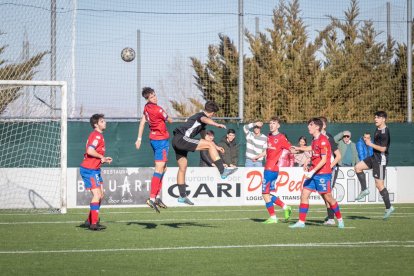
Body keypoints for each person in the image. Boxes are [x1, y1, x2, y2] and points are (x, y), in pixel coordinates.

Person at [172, 101, 238, 205]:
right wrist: (216, 124)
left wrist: (216, 147)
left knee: (182, 167)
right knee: (209, 145)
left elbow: (205, 138)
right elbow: (204, 119)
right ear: (212, 113)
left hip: (176, 140)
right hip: (181, 139)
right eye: (214, 114)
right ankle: (222, 171)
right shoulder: (200, 116)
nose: (213, 116)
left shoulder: (200, 125)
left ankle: (182, 196)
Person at [289, 118, 344, 229]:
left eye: (311, 125)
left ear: (317, 127)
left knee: (328, 197)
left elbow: (324, 160)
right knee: (304, 194)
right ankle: (301, 222)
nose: (308, 127)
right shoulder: (315, 139)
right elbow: (312, 148)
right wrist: (299, 148)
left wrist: (312, 171)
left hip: (322, 174)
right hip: (313, 173)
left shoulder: (323, 140)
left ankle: (340, 219)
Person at [135, 87, 171, 213]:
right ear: (147, 98)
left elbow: (142, 122)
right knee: (159, 169)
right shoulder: (158, 109)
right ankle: (151, 198)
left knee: (164, 168)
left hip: (154, 139)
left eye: (155, 95)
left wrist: (139, 138)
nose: (155, 98)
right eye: (152, 97)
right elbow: (169, 119)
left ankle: (156, 197)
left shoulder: (146, 108)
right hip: (161, 141)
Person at [354, 111, 394, 219]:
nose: (375, 119)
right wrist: (369, 142)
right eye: (375, 117)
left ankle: (389, 207)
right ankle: (364, 189)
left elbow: (383, 149)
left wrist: (369, 144)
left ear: (384, 119)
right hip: (373, 157)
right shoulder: (377, 129)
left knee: (379, 185)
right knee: (357, 167)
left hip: (381, 159)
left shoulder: (385, 132)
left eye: (378, 117)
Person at [254, 116, 292, 224]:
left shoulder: (281, 138)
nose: (271, 125)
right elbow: (268, 151)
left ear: (278, 125)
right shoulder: (269, 136)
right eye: (270, 123)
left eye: (274, 123)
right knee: (268, 193)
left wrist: (301, 150)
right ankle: (285, 207)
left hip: (271, 169)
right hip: (271, 168)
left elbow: (290, 148)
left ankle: (273, 217)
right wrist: (259, 156)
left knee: (264, 193)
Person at [80, 114, 112, 231]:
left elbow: (94, 153)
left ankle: (89, 220)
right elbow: (89, 150)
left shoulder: (99, 136)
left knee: (100, 195)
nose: (105, 122)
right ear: (96, 124)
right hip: (89, 169)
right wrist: (101, 157)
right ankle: (93, 224)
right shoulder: (96, 136)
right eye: (102, 121)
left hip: (95, 169)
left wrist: (103, 158)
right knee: (97, 195)